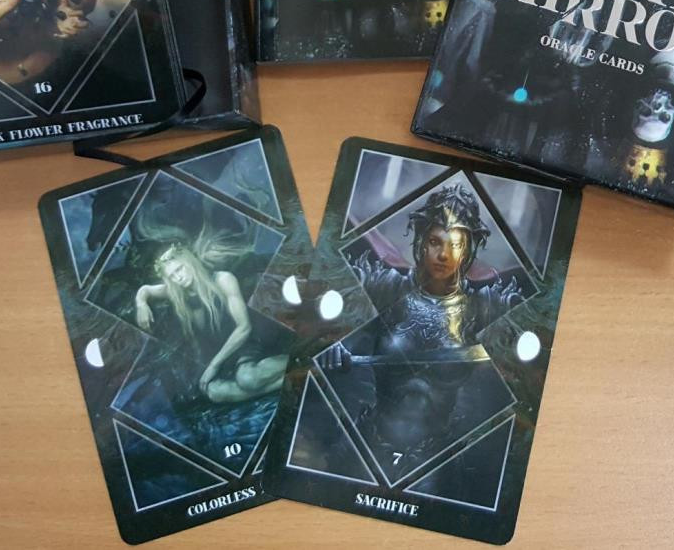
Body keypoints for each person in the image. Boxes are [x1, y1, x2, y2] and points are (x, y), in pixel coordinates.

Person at [321, 185, 522, 470]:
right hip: (365, 443)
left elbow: (528, 354)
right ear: (421, 241)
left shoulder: (485, 307)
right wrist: (334, 346)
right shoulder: (386, 288)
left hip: (437, 459)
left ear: (468, 250)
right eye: (435, 242)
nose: (444, 254)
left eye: (455, 245)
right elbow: (326, 324)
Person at [134, 243, 288, 404]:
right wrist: (141, 304)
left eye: (180, 269)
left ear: (190, 262)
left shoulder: (223, 279)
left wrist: (213, 366)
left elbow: (244, 328)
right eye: (172, 276)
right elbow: (145, 290)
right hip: (219, 356)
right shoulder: (176, 292)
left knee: (248, 379)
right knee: (214, 392)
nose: (178, 278)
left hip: (243, 346)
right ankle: (280, 383)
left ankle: (294, 361)